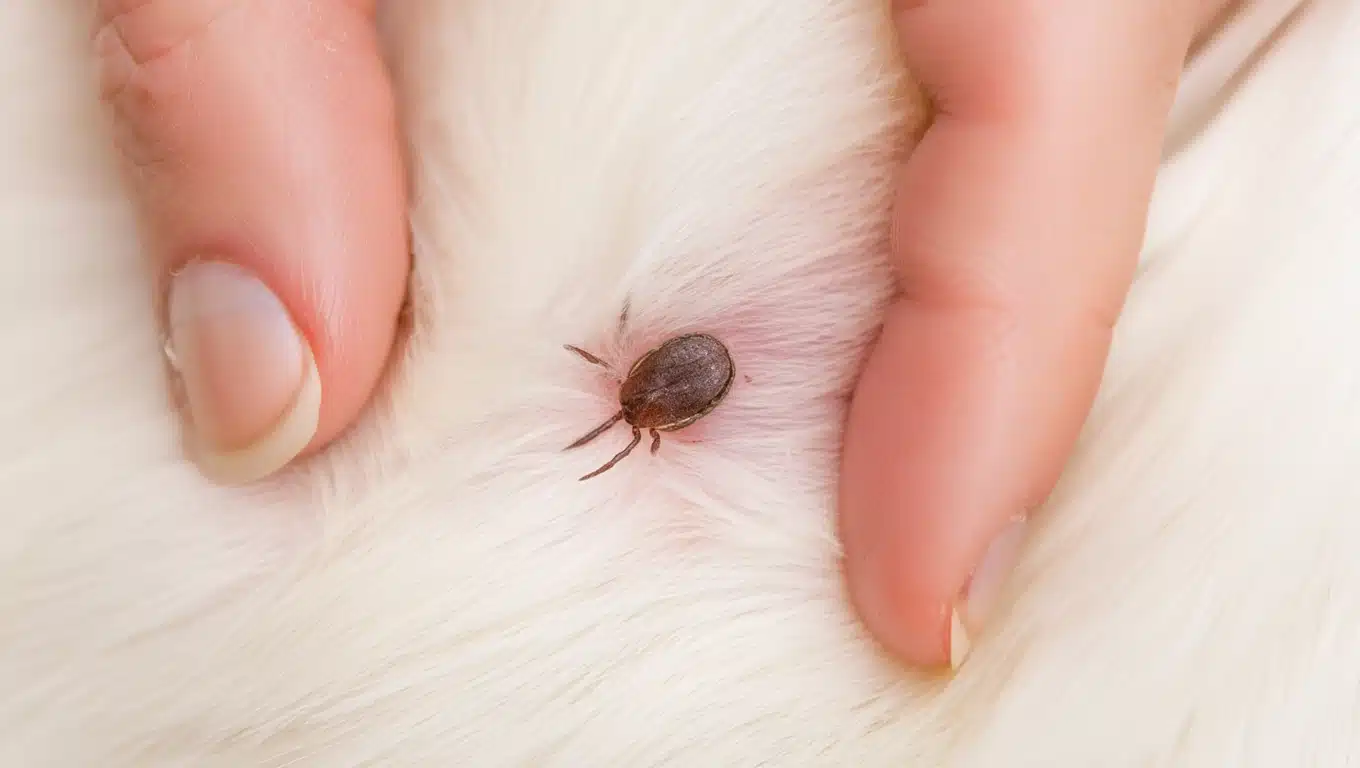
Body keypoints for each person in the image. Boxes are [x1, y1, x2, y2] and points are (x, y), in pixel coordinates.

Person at [93, 0, 1236, 671]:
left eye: (634, 410)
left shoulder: (644, 396)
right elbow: (681, 386)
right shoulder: (656, 398)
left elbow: (669, 386)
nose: (634, 411)